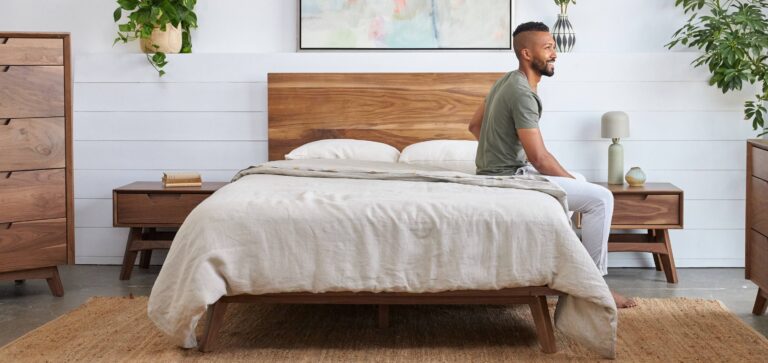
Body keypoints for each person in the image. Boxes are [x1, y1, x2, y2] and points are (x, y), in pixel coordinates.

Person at [468, 21, 637, 309]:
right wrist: (517, 162)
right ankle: (594, 288)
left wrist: (505, 148)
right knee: (601, 198)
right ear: (526, 53)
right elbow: (540, 158)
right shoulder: (522, 93)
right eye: (547, 48)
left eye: (554, 47)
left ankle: (567, 268)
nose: (554, 53)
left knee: (579, 181)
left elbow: (474, 126)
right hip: (507, 177)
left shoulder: (505, 81)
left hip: (501, 170)